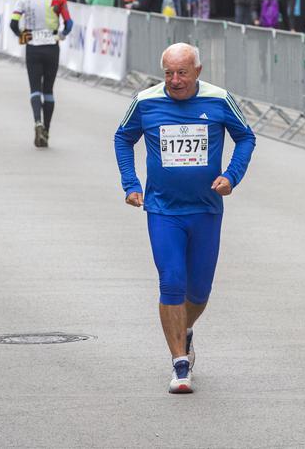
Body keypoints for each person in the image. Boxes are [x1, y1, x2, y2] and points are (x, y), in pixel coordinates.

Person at [113, 43, 256, 394]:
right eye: (168, 73)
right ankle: (179, 363)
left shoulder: (219, 100)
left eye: (182, 73)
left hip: (205, 210)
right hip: (163, 209)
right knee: (172, 282)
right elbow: (122, 138)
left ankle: (184, 330)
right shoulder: (146, 101)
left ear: (198, 71)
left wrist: (232, 176)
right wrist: (131, 183)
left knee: (199, 291)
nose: (175, 81)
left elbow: (246, 138)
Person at [10, 0, 73, 148]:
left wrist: (23, 37)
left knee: (35, 89)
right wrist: (61, 35)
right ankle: (46, 129)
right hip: (52, 46)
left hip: (33, 46)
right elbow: (69, 23)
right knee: (49, 90)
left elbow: (13, 23)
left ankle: (37, 121)